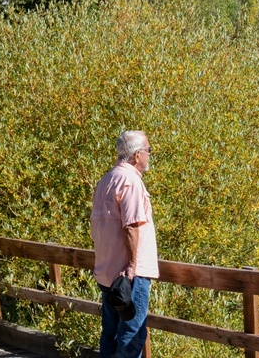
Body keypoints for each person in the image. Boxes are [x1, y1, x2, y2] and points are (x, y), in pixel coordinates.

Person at [90, 130, 159, 357]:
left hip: (107, 272)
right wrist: (131, 266)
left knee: (109, 334)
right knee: (132, 335)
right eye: (148, 151)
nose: (149, 155)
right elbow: (131, 226)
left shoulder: (106, 180)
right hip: (130, 275)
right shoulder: (130, 182)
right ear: (137, 155)